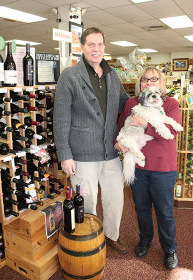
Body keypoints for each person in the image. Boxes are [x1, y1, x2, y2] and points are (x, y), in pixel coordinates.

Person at [53, 27, 129, 253]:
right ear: (82, 48)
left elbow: (126, 104)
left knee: (116, 197)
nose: (96, 49)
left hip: (110, 151)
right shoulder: (70, 76)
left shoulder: (112, 75)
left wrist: (150, 101)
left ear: (105, 46)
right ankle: (90, 239)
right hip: (82, 153)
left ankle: (112, 235)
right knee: (86, 201)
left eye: (100, 44)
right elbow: (61, 118)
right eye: (91, 45)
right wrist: (65, 154)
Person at [115, 66, 181, 269]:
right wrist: (117, 143)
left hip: (163, 168)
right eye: (145, 79)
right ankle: (145, 240)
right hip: (139, 166)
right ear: (139, 83)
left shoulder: (170, 104)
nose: (149, 82)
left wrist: (145, 124)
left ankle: (170, 249)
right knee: (141, 208)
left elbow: (171, 130)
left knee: (164, 212)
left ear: (160, 83)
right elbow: (120, 126)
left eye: (154, 79)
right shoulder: (131, 103)